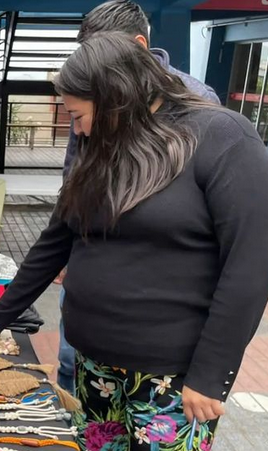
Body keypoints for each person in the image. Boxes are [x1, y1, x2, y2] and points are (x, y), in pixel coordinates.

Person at [0, 33, 268, 451]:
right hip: (98, 365)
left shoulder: (220, 137)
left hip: (171, 378)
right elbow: (57, 235)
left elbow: (249, 267)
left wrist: (211, 373)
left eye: (77, 114)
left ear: (115, 94)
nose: (73, 127)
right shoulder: (108, 142)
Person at [56, 0, 221, 395]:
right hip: (97, 305)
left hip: (155, 320)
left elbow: (240, 258)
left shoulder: (200, 111)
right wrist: (69, 247)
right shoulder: (93, 104)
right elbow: (74, 180)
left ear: (139, 47)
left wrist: (212, 373)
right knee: (72, 368)